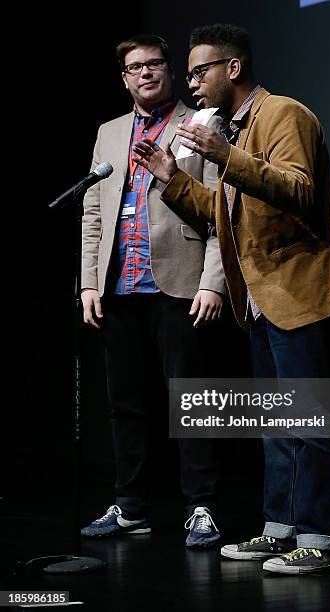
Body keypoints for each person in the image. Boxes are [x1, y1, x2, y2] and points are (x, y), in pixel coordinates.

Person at [133, 24, 330, 574]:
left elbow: (299, 188)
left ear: (232, 69)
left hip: (303, 289)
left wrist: (223, 154)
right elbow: (225, 214)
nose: (191, 84)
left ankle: (321, 536)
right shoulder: (235, 129)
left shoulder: (285, 114)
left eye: (199, 71)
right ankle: (282, 528)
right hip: (262, 294)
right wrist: (172, 179)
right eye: (188, 73)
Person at [80, 34, 226, 548]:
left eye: (155, 63)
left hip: (180, 285)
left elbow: (219, 210)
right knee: (126, 405)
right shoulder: (108, 133)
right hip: (119, 284)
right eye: (135, 67)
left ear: (169, 69)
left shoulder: (202, 123)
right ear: (124, 77)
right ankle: (131, 508)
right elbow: (93, 212)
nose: (147, 72)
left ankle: (202, 507)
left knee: (192, 402)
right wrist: (87, 282)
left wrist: (214, 284)